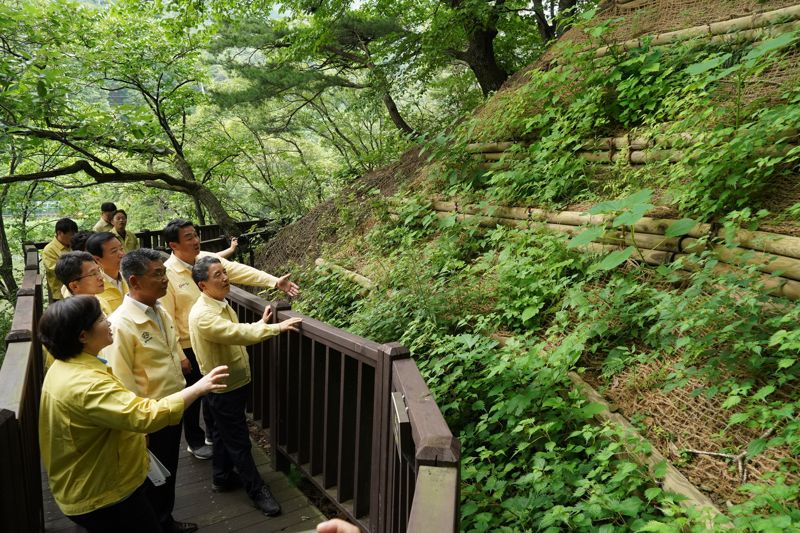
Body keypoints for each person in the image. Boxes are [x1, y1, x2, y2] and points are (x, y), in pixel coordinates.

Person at [38, 295, 229, 533]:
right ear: (82, 336)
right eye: (99, 318)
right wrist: (197, 388)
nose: (107, 320)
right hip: (104, 492)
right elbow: (144, 415)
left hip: (93, 480)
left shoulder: (66, 366)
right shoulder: (86, 384)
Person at [160, 218, 299, 460]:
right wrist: (179, 356)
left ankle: (213, 436)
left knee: (214, 393)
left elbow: (237, 270)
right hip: (186, 345)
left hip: (213, 338)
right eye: (189, 237)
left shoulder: (205, 259)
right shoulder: (168, 273)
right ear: (174, 245)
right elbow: (166, 319)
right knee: (193, 396)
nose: (196, 240)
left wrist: (273, 281)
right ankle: (194, 440)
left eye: (196, 234)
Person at [188, 256, 302, 516]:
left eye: (224, 272)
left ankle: (221, 477)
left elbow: (236, 329)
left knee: (219, 432)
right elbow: (237, 334)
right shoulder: (204, 314)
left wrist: (260, 324)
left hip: (232, 382)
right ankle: (257, 490)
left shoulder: (218, 302)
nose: (225, 278)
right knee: (239, 442)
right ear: (202, 285)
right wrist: (275, 328)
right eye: (217, 275)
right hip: (223, 388)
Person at [104, 249, 195, 533]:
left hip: (171, 407)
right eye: (157, 273)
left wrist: (180, 357)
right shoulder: (121, 324)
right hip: (149, 417)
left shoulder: (158, 307)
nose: (165, 279)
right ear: (135, 280)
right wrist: (137, 429)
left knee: (167, 470)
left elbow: (169, 342)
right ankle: (158, 523)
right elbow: (121, 378)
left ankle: (165, 520)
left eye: (164, 272)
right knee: (151, 478)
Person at [86, 231, 128, 314]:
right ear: (97, 259)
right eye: (114, 251)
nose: (122, 254)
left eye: (121, 249)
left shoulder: (129, 277)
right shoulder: (94, 288)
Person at [42, 217, 78, 302]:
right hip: (61, 295)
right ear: (60, 233)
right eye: (71, 234)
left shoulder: (73, 245)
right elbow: (55, 270)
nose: (74, 237)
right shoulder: (49, 249)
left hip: (77, 291)